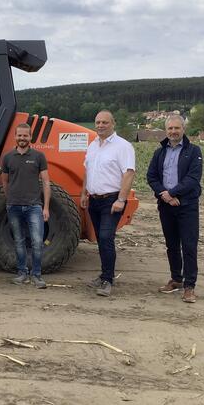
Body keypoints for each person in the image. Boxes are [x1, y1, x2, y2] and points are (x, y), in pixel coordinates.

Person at [147, 115, 203, 303]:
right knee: (172, 245)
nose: (173, 131)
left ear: (183, 129)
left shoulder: (193, 151)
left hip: (187, 206)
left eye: (176, 128)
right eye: (170, 128)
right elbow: (152, 176)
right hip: (166, 206)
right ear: (166, 130)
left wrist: (173, 193)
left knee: (188, 245)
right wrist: (164, 194)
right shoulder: (160, 153)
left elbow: (193, 178)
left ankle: (189, 286)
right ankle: (176, 279)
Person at [80, 110, 135, 297]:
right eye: (98, 122)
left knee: (105, 238)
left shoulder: (123, 146)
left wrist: (121, 199)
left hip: (112, 200)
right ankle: (104, 275)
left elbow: (129, 173)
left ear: (113, 124)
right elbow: (87, 171)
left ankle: (108, 280)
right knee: (100, 239)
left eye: (104, 122)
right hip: (94, 199)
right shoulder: (93, 145)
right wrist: (84, 193)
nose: (100, 126)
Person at [1, 123, 51, 289]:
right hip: (13, 207)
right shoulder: (8, 157)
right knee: (19, 241)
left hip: (34, 206)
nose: (22, 138)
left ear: (30, 137)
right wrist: (9, 201)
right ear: (15, 137)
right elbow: (5, 182)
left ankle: (36, 275)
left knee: (37, 242)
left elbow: (45, 182)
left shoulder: (38, 156)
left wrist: (46, 207)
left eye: (25, 136)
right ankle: (22, 273)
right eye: (19, 135)